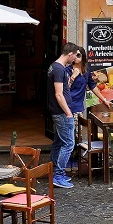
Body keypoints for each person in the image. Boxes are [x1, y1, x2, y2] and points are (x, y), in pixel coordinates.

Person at [48, 41, 81, 189]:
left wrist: (72, 77)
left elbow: (63, 89)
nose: (75, 59)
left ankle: (54, 171)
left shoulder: (54, 67)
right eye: (75, 56)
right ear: (69, 54)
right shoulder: (59, 69)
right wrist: (68, 112)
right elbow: (59, 94)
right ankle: (58, 175)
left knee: (58, 142)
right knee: (69, 143)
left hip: (57, 111)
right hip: (61, 112)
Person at [69, 47, 111, 112]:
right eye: (74, 55)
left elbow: (92, 86)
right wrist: (73, 76)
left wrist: (104, 100)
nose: (76, 57)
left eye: (78, 55)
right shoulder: (68, 70)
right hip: (68, 106)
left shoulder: (86, 70)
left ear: (83, 56)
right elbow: (64, 88)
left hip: (79, 107)